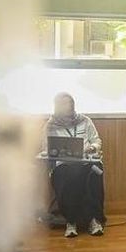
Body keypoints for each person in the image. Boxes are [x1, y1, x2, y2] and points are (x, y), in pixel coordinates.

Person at [43, 92, 106, 238]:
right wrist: (55, 152)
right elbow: (46, 148)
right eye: (65, 104)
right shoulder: (50, 125)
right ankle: (71, 221)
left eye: (71, 104)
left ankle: (94, 220)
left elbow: (97, 141)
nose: (69, 107)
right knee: (70, 175)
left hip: (87, 161)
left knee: (96, 172)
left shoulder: (85, 120)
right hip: (63, 165)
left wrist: (92, 148)